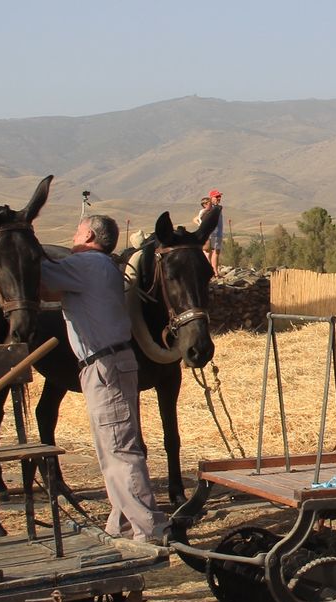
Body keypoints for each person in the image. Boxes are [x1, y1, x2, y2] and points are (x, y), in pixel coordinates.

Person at [39, 214, 170, 543]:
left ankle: (150, 529)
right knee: (112, 450)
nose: (73, 236)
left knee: (121, 450)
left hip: (104, 365)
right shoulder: (97, 266)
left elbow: (39, 277)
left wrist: (25, 245)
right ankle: (122, 524)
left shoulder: (86, 265)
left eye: (78, 230)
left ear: (91, 236)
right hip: (108, 363)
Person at [202, 188, 223, 271]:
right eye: (217, 196)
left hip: (217, 233)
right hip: (211, 234)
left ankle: (214, 271)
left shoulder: (218, 208)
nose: (219, 198)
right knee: (211, 253)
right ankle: (212, 272)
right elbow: (198, 218)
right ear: (211, 198)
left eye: (219, 196)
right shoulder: (210, 208)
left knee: (215, 252)